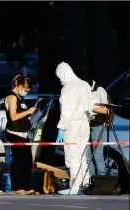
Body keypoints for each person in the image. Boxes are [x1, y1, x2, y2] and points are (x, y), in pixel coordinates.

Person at [55, 62, 92, 195]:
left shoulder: (68, 88)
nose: (60, 79)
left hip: (72, 124)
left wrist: (61, 127)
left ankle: (75, 186)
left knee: (73, 157)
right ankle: (85, 184)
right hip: (85, 123)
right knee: (82, 156)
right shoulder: (85, 85)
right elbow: (90, 106)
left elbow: (67, 110)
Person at [4, 75, 36, 195]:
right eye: (26, 90)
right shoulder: (12, 97)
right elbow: (13, 116)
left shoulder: (20, 98)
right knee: (18, 159)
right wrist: (28, 111)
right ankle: (16, 187)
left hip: (23, 132)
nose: (26, 93)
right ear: (20, 86)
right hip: (14, 132)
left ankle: (27, 186)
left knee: (27, 159)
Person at [81, 76, 109, 176]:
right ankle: (92, 182)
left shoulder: (99, 90)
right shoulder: (81, 90)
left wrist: (90, 107)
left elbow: (106, 109)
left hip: (97, 125)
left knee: (97, 156)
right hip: (83, 125)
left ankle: (101, 182)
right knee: (87, 157)